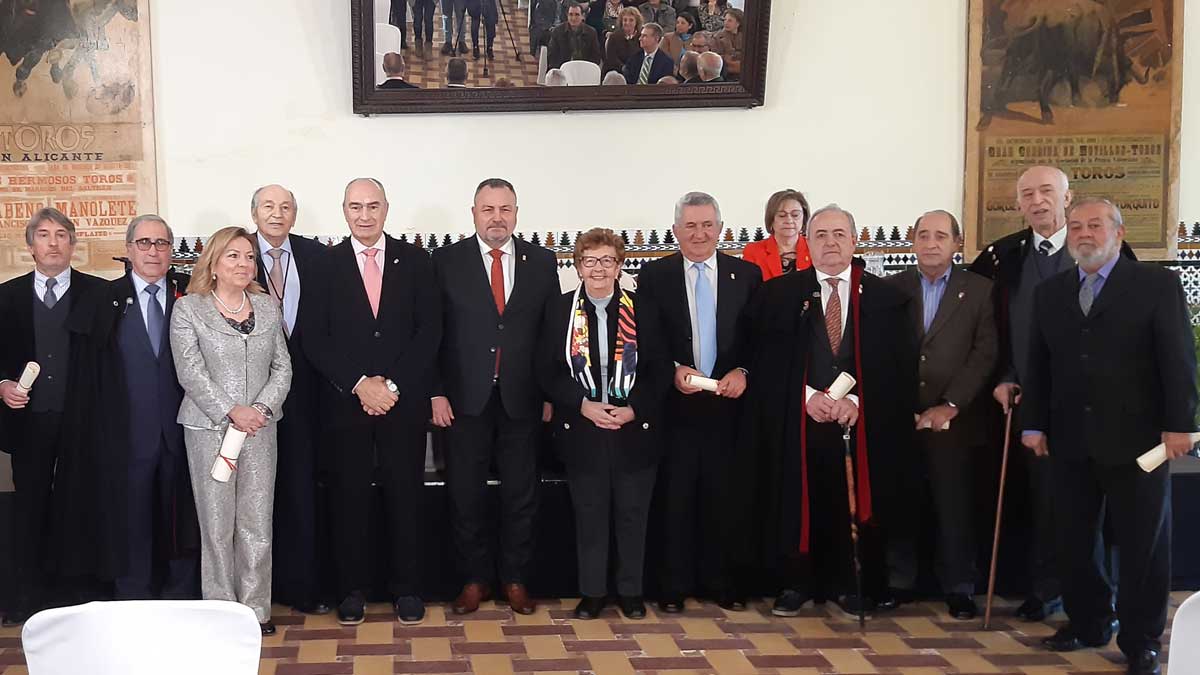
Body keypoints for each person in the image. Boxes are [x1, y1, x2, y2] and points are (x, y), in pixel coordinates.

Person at [1021, 198, 1196, 675]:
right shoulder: (1051, 292)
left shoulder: (1156, 285)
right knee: (1075, 539)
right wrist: (1033, 424)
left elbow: (1178, 361)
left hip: (1139, 442)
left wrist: (1181, 424)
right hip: (1068, 439)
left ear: (1118, 233)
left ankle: (1141, 640)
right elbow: (1038, 364)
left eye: (1095, 225)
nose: (1084, 234)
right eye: (1075, 226)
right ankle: (1089, 622)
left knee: (1144, 545)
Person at [968, 165, 1133, 621]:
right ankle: (1045, 590)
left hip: (1097, 406)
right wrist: (1004, 375)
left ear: (1066, 197)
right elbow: (991, 329)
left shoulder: (1109, 252)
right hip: (1029, 401)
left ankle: (1098, 599)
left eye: (1047, 191)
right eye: (1027, 194)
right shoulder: (1004, 256)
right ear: (1018, 203)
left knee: (1091, 509)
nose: (1037, 200)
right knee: (1043, 501)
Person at [744, 204, 918, 618]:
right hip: (799, 420)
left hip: (861, 422)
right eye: (821, 234)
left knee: (853, 500)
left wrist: (855, 401)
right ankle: (796, 583)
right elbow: (764, 362)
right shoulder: (778, 295)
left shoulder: (887, 298)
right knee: (798, 502)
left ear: (854, 241)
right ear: (807, 241)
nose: (831, 243)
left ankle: (851, 583)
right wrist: (805, 396)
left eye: (840, 234)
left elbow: (900, 367)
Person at [300, 178, 441, 626]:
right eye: (356, 206)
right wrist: (360, 384)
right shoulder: (324, 264)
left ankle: (408, 589)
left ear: (386, 208)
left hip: (403, 403)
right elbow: (314, 338)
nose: (365, 214)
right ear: (344, 210)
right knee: (349, 499)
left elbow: (429, 332)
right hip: (346, 405)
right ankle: (352, 590)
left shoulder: (417, 260)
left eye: (373, 205)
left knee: (406, 497)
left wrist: (392, 386)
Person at [431, 178, 559, 616]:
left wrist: (548, 393)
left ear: (517, 213)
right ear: (473, 213)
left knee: (521, 494)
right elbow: (433, 334)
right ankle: (473, 579)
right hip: (464, 400)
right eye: (488, 209)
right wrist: (436, 393)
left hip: (523, 399)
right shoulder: (446, 261)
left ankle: (515, 578)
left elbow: (550, 335)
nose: (497, 218)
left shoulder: (542, 262)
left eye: (505, 209)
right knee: (465, 495)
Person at [635, 192, 760, 613]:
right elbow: (645, 341)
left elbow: (758, 342)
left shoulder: (747, 275)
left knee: (725, 498)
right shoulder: (653, 277)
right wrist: (672, 368)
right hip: (676, 406)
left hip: (730, 408)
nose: (699, 233)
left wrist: (743, 371)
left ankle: (722, 583)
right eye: (690, 225)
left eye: (707, 225)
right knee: (676, 498)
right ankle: (673, 587)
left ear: (721, 229)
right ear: (675, 231)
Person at [539, 228, 669, 621]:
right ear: (578, 266)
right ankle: (593, 592)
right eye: (590, 260)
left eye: (607, 260)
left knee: (633, 514)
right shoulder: (559, 310)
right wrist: (582, 405)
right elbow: (546, 370)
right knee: (591, 514)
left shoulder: (643, 308)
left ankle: (631, 592)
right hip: (582, 428)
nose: (598, 268)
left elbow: (660, 369)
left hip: (633, 428)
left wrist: (634, 408)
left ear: (620, 265)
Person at [170, 226, 292, 635]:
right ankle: (222, 611)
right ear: (214, 263)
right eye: (233, 256)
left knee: (257, 522)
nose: (243, 264)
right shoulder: (190, 309)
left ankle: (256, 610)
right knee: (217, 523)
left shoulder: (268, 308)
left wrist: (259, 409)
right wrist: (231, 411)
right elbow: (190, 372)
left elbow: (283, 368)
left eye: (249, 257)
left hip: (260, 429)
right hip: (209, 429)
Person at [883, 210, 997, 619]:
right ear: (912, 241)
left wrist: (950, 404)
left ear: (957, 243)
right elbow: (882, 351)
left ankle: (959, 588)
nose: (931, 243)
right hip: (901, 418)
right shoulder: (891, 289)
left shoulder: (980, 290)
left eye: (940, 236)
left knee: (955, 505)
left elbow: (985, 353)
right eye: (923, 235)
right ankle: (899, 582)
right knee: (902, 502)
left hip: (956, 420)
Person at [0, 208, 106, 625]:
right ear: (30, 245)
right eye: (44, 235)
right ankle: (28, 595)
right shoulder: (5, 297)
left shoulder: (98, 294)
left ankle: (78, 590)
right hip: (29, 421)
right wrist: (2, 385)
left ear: (73, 244)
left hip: (83, 420)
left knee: (79, 501)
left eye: (62, 235)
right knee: (29, 505)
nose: (53, 243)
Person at [101, 216, 199, 605]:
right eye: (144, 243)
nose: (153, 251)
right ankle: (133, 595)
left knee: (183, 516)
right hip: (129, 432)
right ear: (129, 250)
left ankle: (181, 593)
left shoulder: (192, 298)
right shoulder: (105, 300)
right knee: (131, 517)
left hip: (184, 428)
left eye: (161, 244)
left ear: (171, 251)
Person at [249, 185, 330, 615]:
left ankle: (301, 587)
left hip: (307, 396)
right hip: (251, 398)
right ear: (254, 213)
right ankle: (257, 588)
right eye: (268, 207)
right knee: (257, 492)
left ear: (295, 215)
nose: (277, 214)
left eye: (285, 207)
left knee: (301, 488)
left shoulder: (317, 256)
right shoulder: (237, 254)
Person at [741, 189, 813, 281]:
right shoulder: (753, 251)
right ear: (771, 219)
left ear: (804, 218)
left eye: (795, 215)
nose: (789, 220)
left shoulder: (814, 248)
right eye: (782, 215)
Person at [547, 2, 603, 70]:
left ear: (583, 16)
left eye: (577, 15)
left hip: (585, 71)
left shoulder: (591, 32)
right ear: (567, 15)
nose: (573, 18)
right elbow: (552, 57)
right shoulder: (557, 31)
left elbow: (596, 58)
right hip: (562, 70)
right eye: (571, 14)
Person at [603, 7, 642, 75]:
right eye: (625, 20)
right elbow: (612, 58)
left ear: (636, 22)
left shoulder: (641, 37)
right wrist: (625, 68)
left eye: (631, 20)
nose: (627, 23)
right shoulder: (614, 37)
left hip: (637, 70)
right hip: (616, 70)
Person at [713, 7, 743, 79]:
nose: (726, 23)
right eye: (725, 20)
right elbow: (717, 57)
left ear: (738, 23)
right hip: (725, 71)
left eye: (730, 21)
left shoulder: (745, 37)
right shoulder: (717, 37)